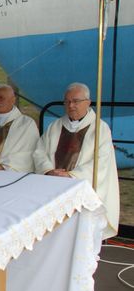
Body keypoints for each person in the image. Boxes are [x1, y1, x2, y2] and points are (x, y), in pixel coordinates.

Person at [33, 82, 119, 238]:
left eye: (76, 101)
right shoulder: (55, 126)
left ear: (88, 102)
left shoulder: (100, 128)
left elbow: (102, 162)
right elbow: (39, 152)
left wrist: (71, 175)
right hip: (53, 185)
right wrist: (48, 170)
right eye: (67, 101)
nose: (71, 105)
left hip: (81, 188)